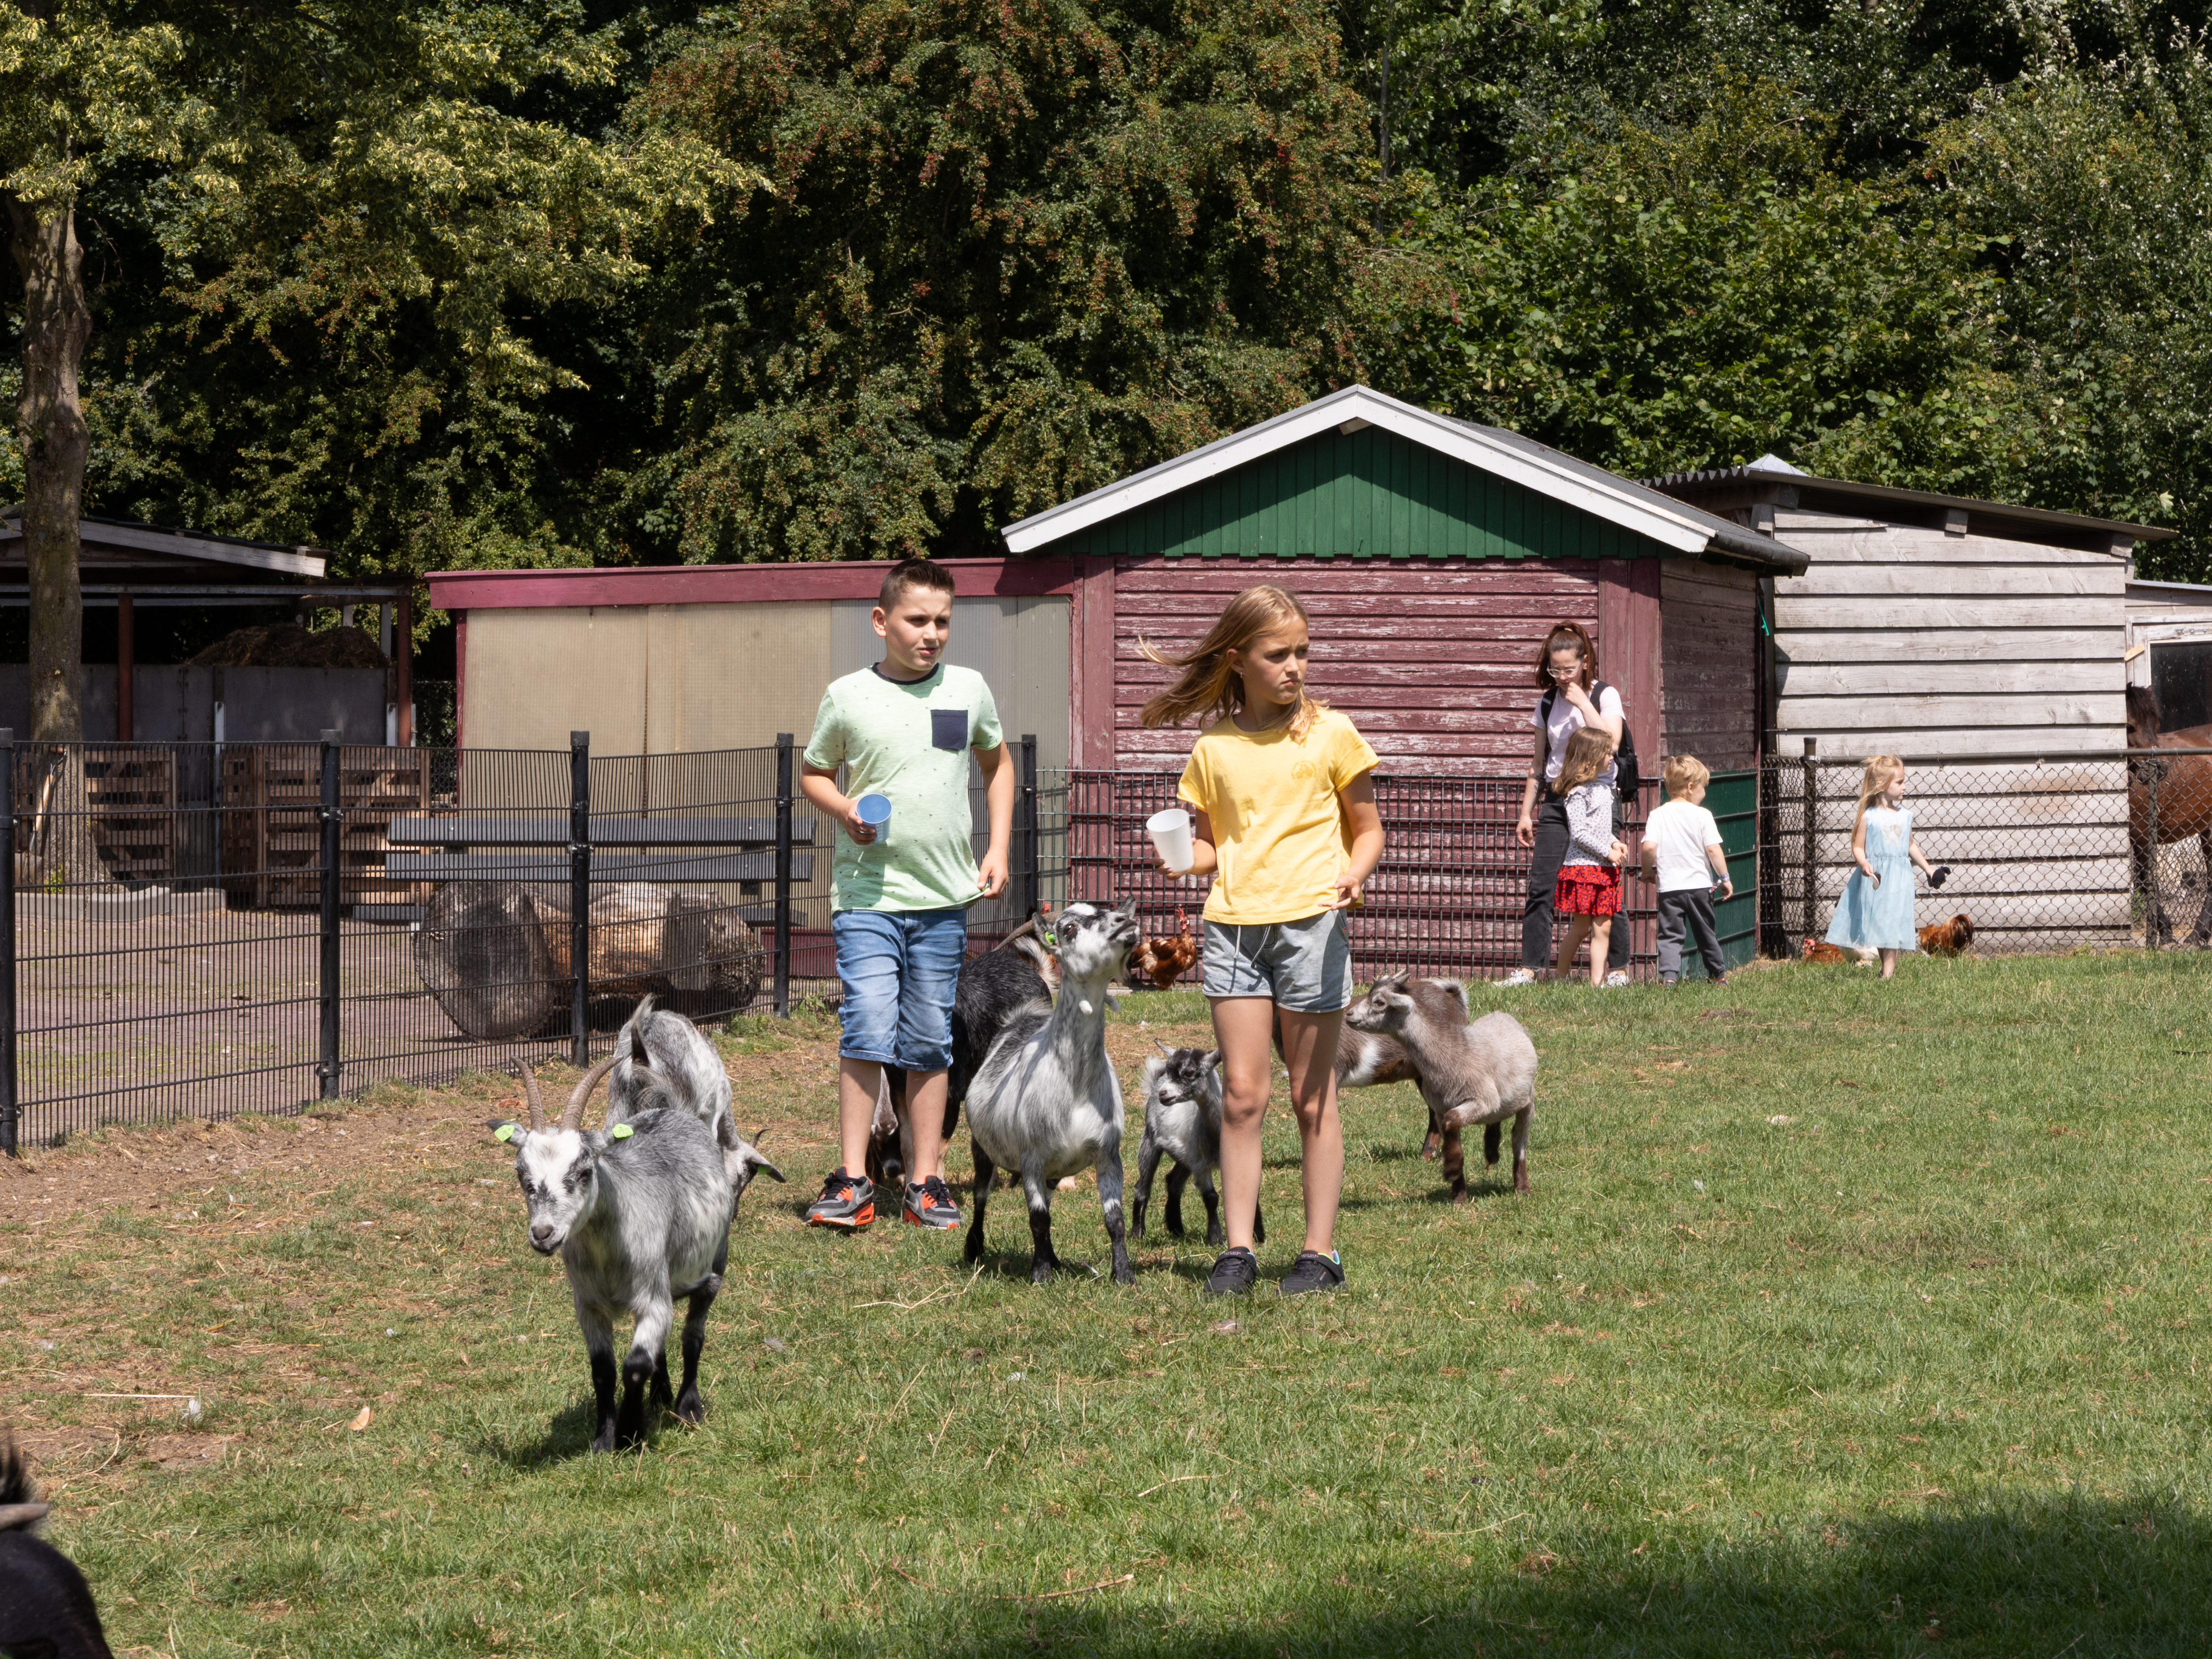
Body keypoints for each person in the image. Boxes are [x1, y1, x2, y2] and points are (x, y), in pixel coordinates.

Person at [1140, 584, 1384, 1298]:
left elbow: (1368, 829)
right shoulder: (1212, 748)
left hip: (1312, 924)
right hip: (1235, 932)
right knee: (1243, 1097)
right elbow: (1217, 847)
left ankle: (1319, 1254)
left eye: (1303, 652)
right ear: (1236, 659)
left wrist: (1353, 874)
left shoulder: (1332, 734)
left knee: (1313, 1099)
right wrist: (1187, 860)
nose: (1296, 667)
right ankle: (1238, 1251)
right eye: (1279, 655)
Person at [798, 558, 1014, 1232]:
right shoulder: (847, 696)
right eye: (918, 620)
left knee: (929, 1038)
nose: (932, 633)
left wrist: (998, 847)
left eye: (943, 621)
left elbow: (998, 765)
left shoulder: (970, 689)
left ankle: (927, 1182)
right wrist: (845, 810)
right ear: (881, 621)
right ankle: (854, 1180)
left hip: (943, 900)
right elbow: (814, 774)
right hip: (867, 897)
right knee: (866, 1026)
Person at [1506, 621, 1632, 987]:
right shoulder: (1546, 703)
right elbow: (1538, 763)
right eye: (1554, 669)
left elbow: (1610, 743)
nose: (1561, 676)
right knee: (1541, 884)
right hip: (1558, 799)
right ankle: (1530, 969)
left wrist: (1581, 701)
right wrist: (1526, 813)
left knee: (1607, 878)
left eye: (1568, 669)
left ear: (1585, 662)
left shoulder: (1604, 696)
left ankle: (1619, 971)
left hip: (1599, 796)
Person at [1824, 754, 1936, 980]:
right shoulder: (1869, 817)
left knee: (1892, 923)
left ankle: (1887, 975)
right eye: (1899, 782)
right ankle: (1886, 973)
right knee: (1882, 924)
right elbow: (1858, 846)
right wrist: (1864, 862)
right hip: (1877, 879)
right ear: (1881, 785)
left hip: (1899, 880)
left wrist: (1929, 869)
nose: (1905, 786)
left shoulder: (1905, 816)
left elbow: (1910, 845)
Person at [1550, 726, 1629, 987]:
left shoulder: (1605, 790)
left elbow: (1602, 830)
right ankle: (1560, 977)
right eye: (1607, 753)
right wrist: (1607, 851)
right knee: (1582, 927)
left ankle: (1597, 984)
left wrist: (1615, 842)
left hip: (1604, 870)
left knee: (1603, 927)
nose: (1611, 757)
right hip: (1583, 869)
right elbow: (1579, 834)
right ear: (1591, 756)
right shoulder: (1577, 793)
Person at [1644, 754, 1733, 985]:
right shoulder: (1703, 815)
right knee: (1705, 933)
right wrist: (1725, 878)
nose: (1705, 792)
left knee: (1670, 935)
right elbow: (1714, 850)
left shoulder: (1657, 815)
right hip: (1699, 887)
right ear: (1691, 787)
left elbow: (1649, 847)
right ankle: (1718, 976)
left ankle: (1669, 978)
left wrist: (1647, 872)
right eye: (1703, 787)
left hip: (1670, 889)